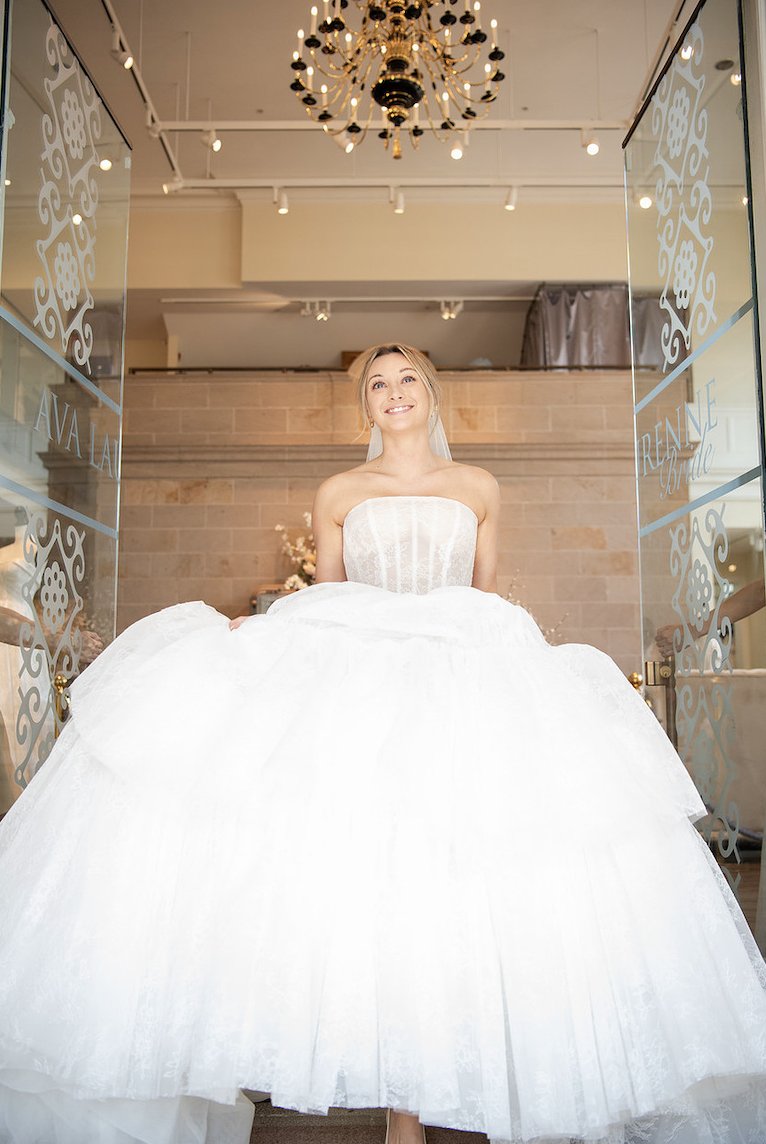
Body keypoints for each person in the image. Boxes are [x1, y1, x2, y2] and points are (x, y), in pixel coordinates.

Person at [0, 343, 765, 1144]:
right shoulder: (339, 491)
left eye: (406, 381)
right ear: (364, 406)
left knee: (452, 878)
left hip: (457, 682)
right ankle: (388, 1097)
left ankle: (422, 1103)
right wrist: (260, 629)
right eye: (377, 384)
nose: (393, 393)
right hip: (362, 686)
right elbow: (329, 596)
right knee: (363, 878)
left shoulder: (478, 487)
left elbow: (487, 597)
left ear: (431, 396)